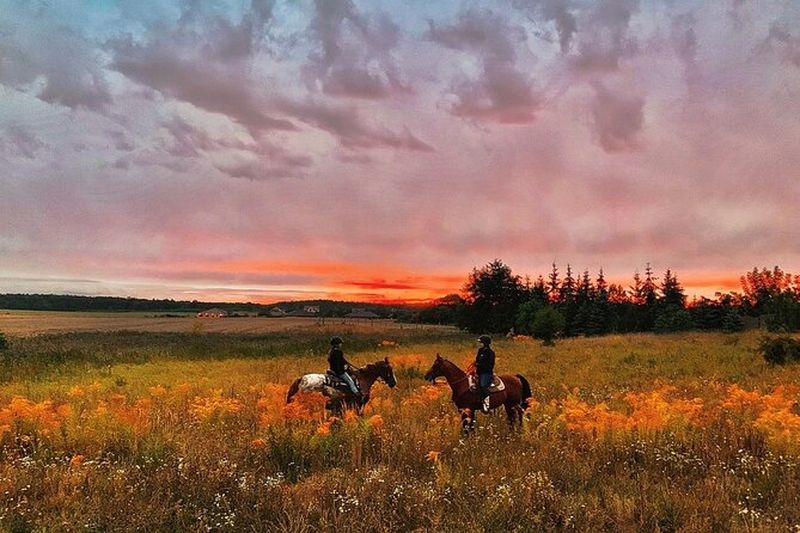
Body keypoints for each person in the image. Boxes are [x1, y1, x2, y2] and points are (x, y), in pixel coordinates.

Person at [328, 336, 362, 401]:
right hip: (339, 371)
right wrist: (344, 369)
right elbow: (339, 363)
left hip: (333, 369)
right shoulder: (338, 352)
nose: (341, 344)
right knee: (350, 381)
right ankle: (356, 392)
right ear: (337, 344)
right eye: (340, 343)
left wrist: (347, 364)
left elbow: (342, 361)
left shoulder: (331, 352)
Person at [475, 334, 495, 413]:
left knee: (483, 386)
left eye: (482, 342)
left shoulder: (490, 353)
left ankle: (487, 405)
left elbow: (490, 365)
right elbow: (477, 360)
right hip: (478, 372)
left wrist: (479, 365)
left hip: (486, 373)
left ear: (485, 343)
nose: (481, 344)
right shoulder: (480, 350)